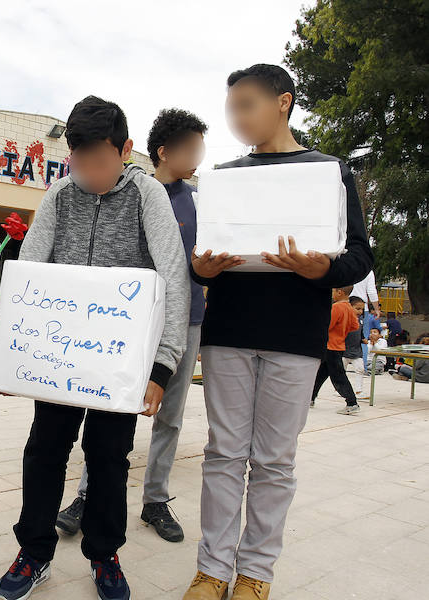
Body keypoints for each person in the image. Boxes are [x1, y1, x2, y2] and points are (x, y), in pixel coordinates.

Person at [182, 64, 373, 600]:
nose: (237, 118)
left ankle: (255, 574)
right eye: (231, 109)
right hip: (229, 332)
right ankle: (212, 569)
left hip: (295, 335)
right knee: (223, 454)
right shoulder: (224, 176)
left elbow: (359, 255)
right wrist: (205, 269)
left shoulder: (329, 172)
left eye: (247, 105)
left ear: (283, 102)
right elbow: (198, 260)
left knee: (273, 461)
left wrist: (322, 271)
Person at [0, 96, 190, 600]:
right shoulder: (60, 195)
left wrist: (163, 365)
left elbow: (172, 277)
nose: (87, 173)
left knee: (109, 457)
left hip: (120, 364)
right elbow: (29, 269)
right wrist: (14, 360)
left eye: (99, 162)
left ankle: (105, 555)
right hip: (58, 357)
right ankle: (33, 552)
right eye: (78, 162)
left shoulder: (148, 195)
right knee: (44, 451)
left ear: (125, 150)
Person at [57, 107, 208, 544]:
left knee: (169, 415)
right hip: (119, 328)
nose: (198, 154)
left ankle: (155, 499)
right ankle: (87, 495)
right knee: (105, 413)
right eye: (190, 145)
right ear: (161, 150)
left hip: (186, 318)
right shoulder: (112, 192)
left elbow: (188, 272)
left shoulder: (199, 200)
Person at [311, 286, 362, 414]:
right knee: (321, 374)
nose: (332, 293)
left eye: (334, 291)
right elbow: (354, 326)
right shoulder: (349, 309)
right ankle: (310, 398)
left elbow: (327, 325)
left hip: (330, 346)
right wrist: (342, 331)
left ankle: (352, 403)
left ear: (340, 292)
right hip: (338, 345)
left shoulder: (337, 307)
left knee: (338, 376)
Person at [342, 296, 367, 399]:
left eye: (362, 309)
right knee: (341, 371)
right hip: (344, 350)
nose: (360, 311)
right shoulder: (345, 318)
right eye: (358, 308)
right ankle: (341, 390)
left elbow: (360, 333)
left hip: (356, 351)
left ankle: (358, 390)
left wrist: (363, 339)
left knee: (360, 369)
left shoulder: (360, 320)